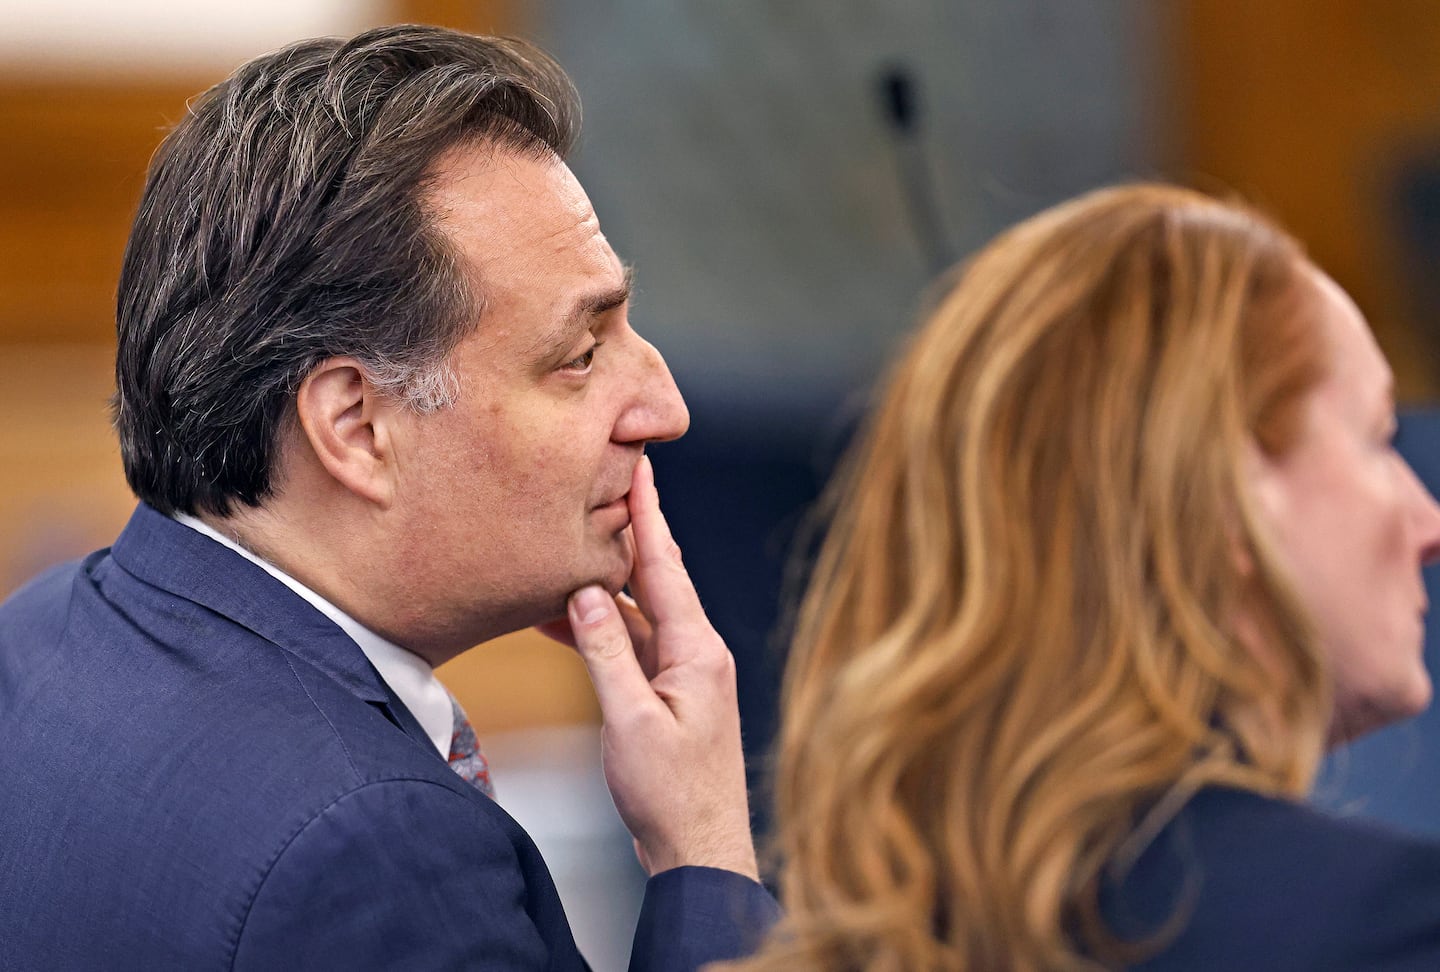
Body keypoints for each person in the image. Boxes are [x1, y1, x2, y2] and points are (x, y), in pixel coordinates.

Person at [0, 24, 777, 971]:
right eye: (580, 356)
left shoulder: (37, 631)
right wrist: (704, 850)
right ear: (357, 427)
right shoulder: (377, 854)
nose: (665, 409)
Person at [732, 183, 1440, 971]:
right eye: (1378, 439)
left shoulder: (868, 944)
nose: (1430, 525)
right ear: (1229, 495)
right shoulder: (1391, 928)